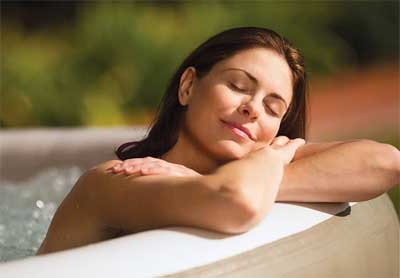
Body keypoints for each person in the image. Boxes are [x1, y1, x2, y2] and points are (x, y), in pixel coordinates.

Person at [37, 27, 399, 254]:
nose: (253, 109)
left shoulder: (260, 162)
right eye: (238, 86)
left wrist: (259, 171)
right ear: (188, 85)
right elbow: (235, 201)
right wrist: (256, 170)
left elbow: (384, 162)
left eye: (273, 109)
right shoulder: (115, 180)